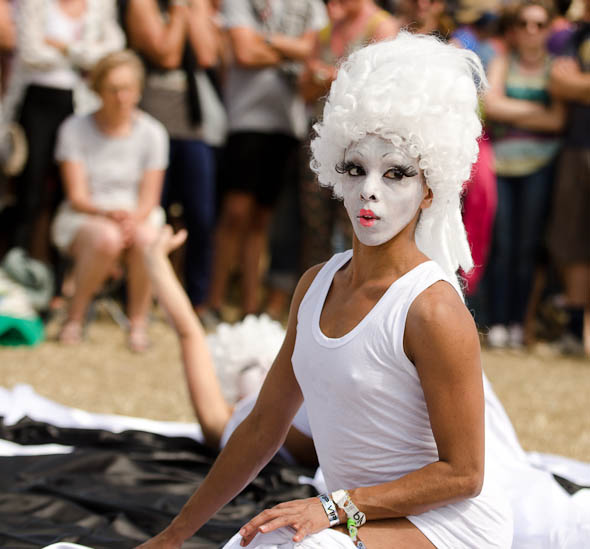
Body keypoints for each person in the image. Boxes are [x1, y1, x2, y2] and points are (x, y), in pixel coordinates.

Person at [137, 32, 514, 548]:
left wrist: (335, 508)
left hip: (443, 524)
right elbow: (262, 426)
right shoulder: (316, 284)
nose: (370, 190)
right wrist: (175, 535)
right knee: (257, 542)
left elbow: (464, 475)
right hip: (350, 516)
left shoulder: (432, 309)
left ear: (430, 189)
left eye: (397, 173)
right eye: (356, 169)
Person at [143, 224, 318, 468]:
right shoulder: (226, 426)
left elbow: (189, 333)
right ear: (234, 396)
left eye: (270, 364)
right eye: (249, 368)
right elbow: (188, 332)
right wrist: (156, 259)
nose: (266, 371)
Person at [203, 0, 327, 322]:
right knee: (234, 213)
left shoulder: (311, 5)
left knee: (260, 219)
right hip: (245, 121)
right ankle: (213, 301)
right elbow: (244, 53)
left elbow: (313, 53)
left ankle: (248, 308)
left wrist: (268, 43)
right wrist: (292, 51)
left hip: (288, 125)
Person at [51, 50, 169, 350]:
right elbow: (77, 197)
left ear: (138, 91)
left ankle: (138, 323)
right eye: (113, 89)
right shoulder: (74, 129)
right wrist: (109, 213)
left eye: (127, 88)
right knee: (106, 238)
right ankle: (74, 317)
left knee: (146, 237)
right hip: (88, 214)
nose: (121, 97)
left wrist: (131, 218)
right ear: (98, 91)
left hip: (137, 215)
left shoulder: (153, 133)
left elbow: (150, 198)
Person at [120, 0, 222, 314]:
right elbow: (168, 54)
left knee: (201, 217)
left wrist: (194, 10)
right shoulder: (141, 5)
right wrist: (180, 10)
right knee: (155, 214)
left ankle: (196, 301)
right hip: (151, 127)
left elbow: (206, 55)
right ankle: (143, 297)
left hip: (191, 128)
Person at [3, 0, 125, 264]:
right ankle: (14, 270)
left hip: (79, 105)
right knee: (30, 191)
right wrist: (83, 56)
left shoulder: (101, 5)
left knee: (68, 193)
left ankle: (58, 281)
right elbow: (31, 53)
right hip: (36, 102)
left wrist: (62, 46)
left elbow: (111, 52)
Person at [483, 0, 565, 348]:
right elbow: (490, 104)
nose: (532, 31)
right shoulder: (502, 62)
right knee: (501, 246)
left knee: (527, 246)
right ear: (514, 30)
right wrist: (536, 110)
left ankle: (519, 323)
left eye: (539, 24)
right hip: (501, 166)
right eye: (525, 24)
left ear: (549, 29)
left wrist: (511, 112)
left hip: (540, 167)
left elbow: (558, 120)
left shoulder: (556, 68)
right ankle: (497, 322)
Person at [298, 0, 399, 272]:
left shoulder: (382, 27)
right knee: (314, 222)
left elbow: (379, 88)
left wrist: (325, 74)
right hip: (321, 136)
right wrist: (329, 76)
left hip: (363, 143)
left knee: (355, 220)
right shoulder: (326, 30)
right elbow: (304, 89)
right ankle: (320, 293)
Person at [546, 0, 590, 356]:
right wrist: (576, 85)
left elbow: (567, 84)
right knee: (574, 241)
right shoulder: (574, 38)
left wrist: (574, 83)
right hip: (577, 148)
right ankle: (574, 332)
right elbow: (556, 86)